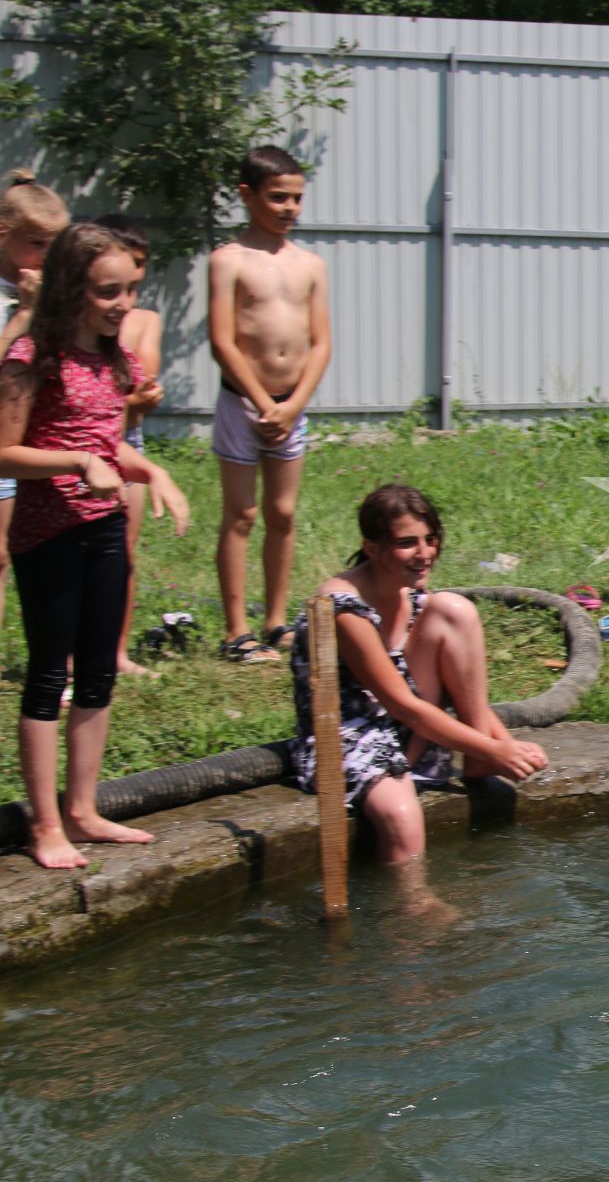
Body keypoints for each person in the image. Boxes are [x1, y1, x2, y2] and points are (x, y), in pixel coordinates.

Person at [0, 222, 190, 869]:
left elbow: (112, 448)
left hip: (104, 526)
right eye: (109, 292)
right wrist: (79, 461)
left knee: (98, 673)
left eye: (131, 289)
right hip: (47, 532)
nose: (124, 304)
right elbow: (5, 451)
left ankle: (82, 810)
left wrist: (152, 470)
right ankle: (44, 825)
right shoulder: (33, 356)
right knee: (50, 674)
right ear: (70, 288)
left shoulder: (117, 360)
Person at [289, 484, 549, 868]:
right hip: (350, 735)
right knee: (400, 818)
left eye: (431, 539)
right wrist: (496, 750)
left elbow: (454, 690)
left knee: (454, 610)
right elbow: (402, 704)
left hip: (408, 726)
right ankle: (412, 910)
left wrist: (501, 742)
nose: (424, 553)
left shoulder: (412, 592)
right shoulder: (341, 607)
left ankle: (475, 757)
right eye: (407, 543)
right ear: (373, 548)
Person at [208, 145, 333, 665]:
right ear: (247, 195)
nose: (289, 208)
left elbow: (321, 341)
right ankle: (237, 630)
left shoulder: (310, 265)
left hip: (291, 406)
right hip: (244, 404)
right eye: (277, 197)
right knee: (243, 513)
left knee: (282, 513)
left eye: (297, 198)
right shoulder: (228, 260)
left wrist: (292, 405)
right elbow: (222, 340)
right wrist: (263, 404)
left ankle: (276, 621)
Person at [0, 170, 71, 641]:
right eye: (38, 244)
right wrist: (24, 317)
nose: (49, 258)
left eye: (56, 246)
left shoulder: (53, 295)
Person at [95, 215, 167, 678]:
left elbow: (142, 392)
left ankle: (115, 652)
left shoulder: (145, 320)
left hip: (127, 441)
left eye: (140, 268)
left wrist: (132, 398)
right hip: (80, 448)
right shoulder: (80, 324)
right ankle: (69, 656)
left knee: (124, 551)